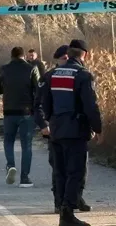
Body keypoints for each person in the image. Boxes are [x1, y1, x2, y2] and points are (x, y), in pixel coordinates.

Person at [41, 39, 102, 226]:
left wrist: (52, 122)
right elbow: (90, 106)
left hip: (56, 130)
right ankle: (67, 214)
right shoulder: (83, 75)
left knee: (60, 171)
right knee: (76, 172)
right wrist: (98, 128)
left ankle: (62, 210)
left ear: (69, 52)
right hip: (76, 130)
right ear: (85, 54)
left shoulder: (52, 74)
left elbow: (45, 104)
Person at [36, 45, 91, 214]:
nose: (66, 62)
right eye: (63, 59)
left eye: (68, 58)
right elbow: (39, 104)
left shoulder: (78, 75)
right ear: (58, 60)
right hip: (57, 130)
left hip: (72, 128)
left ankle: (75, 198)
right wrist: (45, 124)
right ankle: (60, 202)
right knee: (60, 168)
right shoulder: (49, 77)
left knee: (79, 168)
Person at [0, 46, 46, 188]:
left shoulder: (4, 69)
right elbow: (38, 90)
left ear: (11, 56)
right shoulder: (31, 69)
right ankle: (25, 178)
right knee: (26, 145)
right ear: (24, 56)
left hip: (9, 112)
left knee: (8, 141)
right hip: (26, 112)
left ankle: (11, 165)